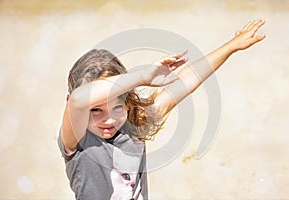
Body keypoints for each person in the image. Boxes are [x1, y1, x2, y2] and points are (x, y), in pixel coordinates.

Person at [58, 19, 266, 200]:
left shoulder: (135, 124)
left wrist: (231, 46)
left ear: (128, 102)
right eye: (96, 111)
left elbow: (187, 79)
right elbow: (78, 100)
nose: (109, 119)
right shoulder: (78, 140)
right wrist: (141, 78)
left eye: (117, 107)